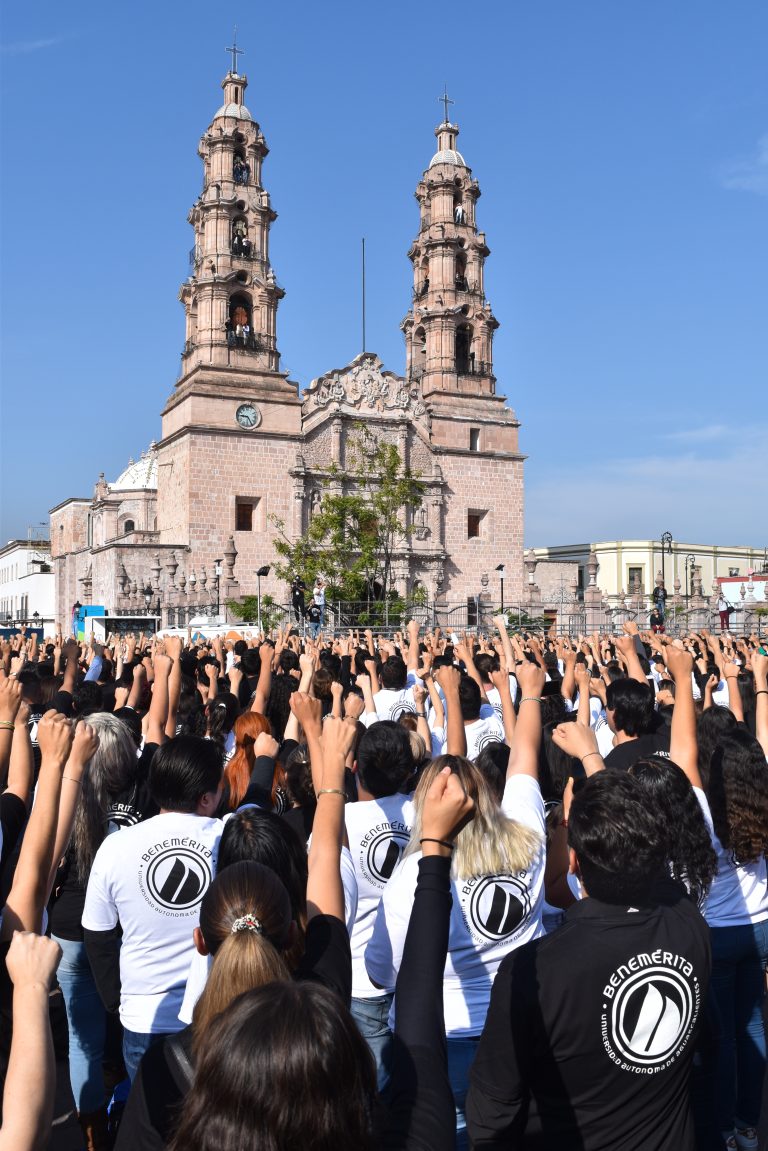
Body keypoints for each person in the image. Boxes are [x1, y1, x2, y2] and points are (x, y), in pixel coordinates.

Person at [466, 770, 711, 1150]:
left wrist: (569, 824)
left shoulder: (533, 972)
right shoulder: (690, 926)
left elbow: (492, 1112)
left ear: (574, 862)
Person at [82, 736, 224, 1083]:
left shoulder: (116, 846)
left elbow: (98, 934)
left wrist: (116, 1002)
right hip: (216, 1016)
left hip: (143, 1017)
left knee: (153, 1130)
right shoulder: (228, 836)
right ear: (206, 798)